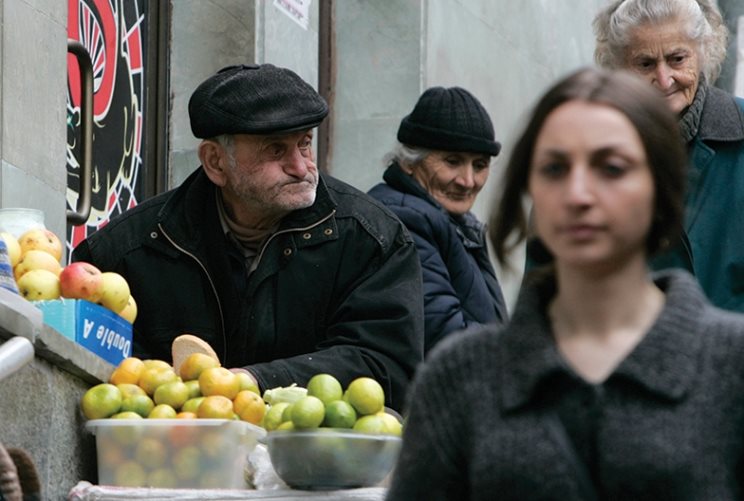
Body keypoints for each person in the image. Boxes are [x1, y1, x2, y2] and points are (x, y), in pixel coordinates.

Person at [386, 67, 744, 500]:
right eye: (555, 168)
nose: (578, 194)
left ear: (660, 188)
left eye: (611, 167)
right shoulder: (459, 378)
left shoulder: (732, 365)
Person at [71, 63, 425, 411]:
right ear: (216, 162)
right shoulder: (124, 254)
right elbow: (94, 374)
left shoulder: (371, 238)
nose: (301, 168)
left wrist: (254, 382)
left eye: (304, 144)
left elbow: (387, 365)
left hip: (314, 459)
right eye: (275, 150)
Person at [590, 0, 744, 313]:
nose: (664, 80)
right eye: (645, 64)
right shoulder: (588, 149)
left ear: (702, 53)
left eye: (677, 59)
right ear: (617, 67)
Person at [368, 86, 508, 354]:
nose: (468, 181)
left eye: (479, 165)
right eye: (452, 161)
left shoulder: (453, 220)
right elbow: (445, 335)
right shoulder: (406, 220)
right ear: (409, 162)